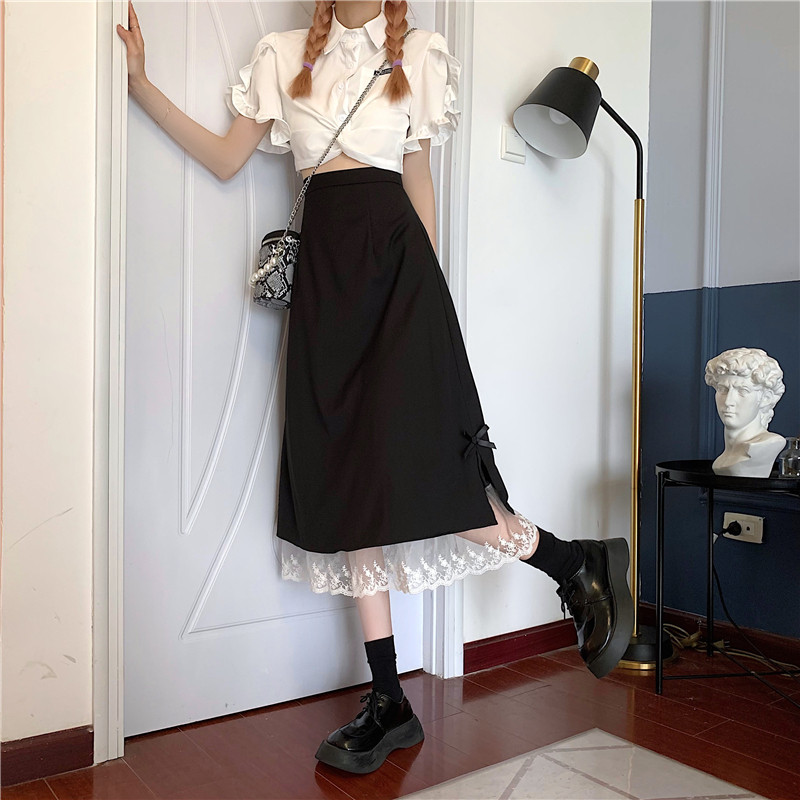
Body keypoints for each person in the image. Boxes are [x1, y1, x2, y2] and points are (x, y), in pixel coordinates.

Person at [117, 0, 635, 775]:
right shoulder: (282, 53)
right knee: (345, 475)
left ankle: (571, 562)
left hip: (400, 280)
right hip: (326, 284)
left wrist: (431, 311)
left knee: (422, 468)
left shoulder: (418, 52)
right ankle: (389, 697)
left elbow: (417, 183)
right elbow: (227, 159)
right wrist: (140, 86)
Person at [704, 347, 786, 477]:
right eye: (722, 389)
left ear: (765, 398)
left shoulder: (767, 445)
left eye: (742, 391)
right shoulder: (724, 458)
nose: (728, 401)